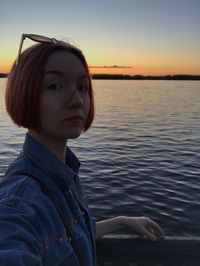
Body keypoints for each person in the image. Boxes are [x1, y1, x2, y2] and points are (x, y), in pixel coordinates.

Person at [0, 34, 164, 266]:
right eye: (55, 85)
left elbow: (65, 236)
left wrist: (122, 220)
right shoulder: (17, 204)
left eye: (82, 86)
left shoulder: (62, 174)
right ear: (24, 93)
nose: (77, 100)